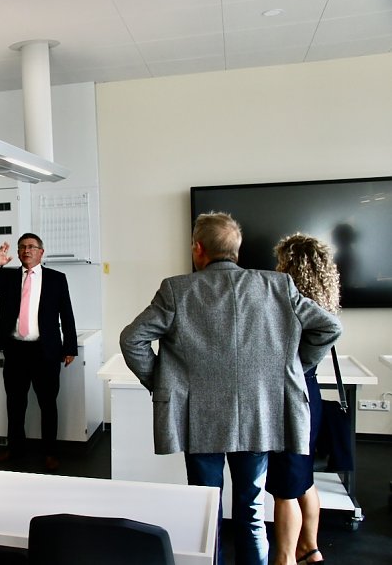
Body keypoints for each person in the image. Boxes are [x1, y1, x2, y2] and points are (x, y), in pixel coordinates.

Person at [119, 212, 342, 565]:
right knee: (251, 514)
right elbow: (328, 329)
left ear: (198, 248)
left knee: (206, 513)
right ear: (236, 249)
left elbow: (133, 340)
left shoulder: (177, 289)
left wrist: (161, 382)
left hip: (200, 420)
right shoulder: (277, 285)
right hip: (258, 416)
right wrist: (291, 369)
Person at [268, 234, 341, 565]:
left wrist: (296, 365)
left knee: (285, 487)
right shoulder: (320, 300)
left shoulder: (290, 298)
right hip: (309, 395)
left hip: (290, 400)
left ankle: (284, 558)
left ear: (290, 264)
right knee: (303, 477)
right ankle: (309, 548)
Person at [0, 234, 77, 472]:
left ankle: (50, 453)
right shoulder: (8, 276)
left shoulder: (56, 279)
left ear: (41, 252)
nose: (26, 251)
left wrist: (70, 347)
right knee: (15, 403)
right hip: (15, 350)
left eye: (31, 247)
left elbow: (67, 313)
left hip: (46, 351)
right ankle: (15, 449)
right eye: (22, 247)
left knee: (48, 404)